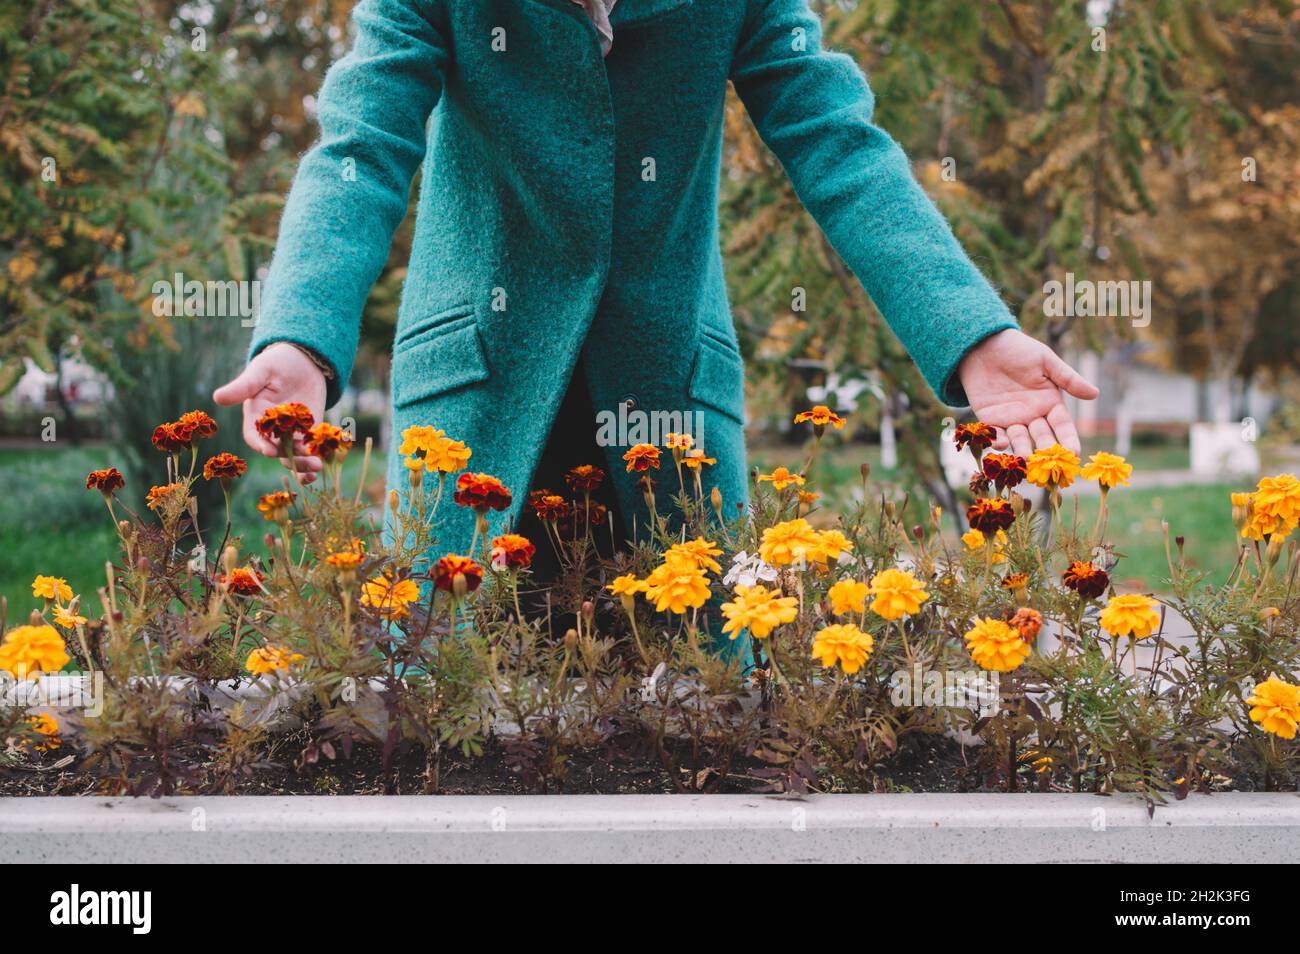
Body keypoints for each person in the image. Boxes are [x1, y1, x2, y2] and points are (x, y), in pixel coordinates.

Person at [214, 0, 1099, 567]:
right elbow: (359, 151)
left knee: (702, 723)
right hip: (477, 400)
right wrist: (301, 335)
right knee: (448, 711)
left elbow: (842, 148)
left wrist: (974, 337)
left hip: (666, 404)